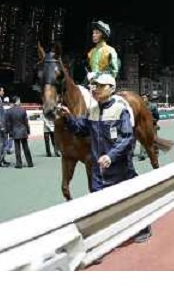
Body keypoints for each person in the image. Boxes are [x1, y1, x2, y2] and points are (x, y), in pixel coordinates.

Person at [59, 74, 151, 243]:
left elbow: (127, 138)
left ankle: (143, 227)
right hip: (98, 172)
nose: (96, 89)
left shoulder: (120, 110)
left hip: (120, 169)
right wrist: (69, 118)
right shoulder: (92, 111)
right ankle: (98, 242)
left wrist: (110, 156)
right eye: (94, 86)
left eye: (101, 86)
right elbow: (81, 129)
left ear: (111, 88)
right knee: (97, 205)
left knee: (129, 200)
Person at [5, 97, 34, 169]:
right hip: (23, 130)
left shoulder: (9, 111)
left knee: (17, 148)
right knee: (26, 147)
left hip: (15, 131)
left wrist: (9, 132)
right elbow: (26, 122)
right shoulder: (23, 110)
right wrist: (28, 130)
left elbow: (8, 123)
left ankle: (19, 163)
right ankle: (30, 163)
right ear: (17, 101)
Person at [138, 94, 159, 161]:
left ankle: (155, 152)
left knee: (154, 139)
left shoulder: (153, 106)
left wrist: (153, 121)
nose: (143, 99)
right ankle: (142, 155)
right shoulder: (140, 107)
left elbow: (157, 116)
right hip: (143, 126)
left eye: (144, 98)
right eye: (142, 98)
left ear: (147, 99)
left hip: (152, 125)